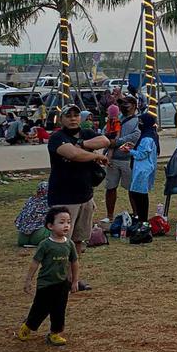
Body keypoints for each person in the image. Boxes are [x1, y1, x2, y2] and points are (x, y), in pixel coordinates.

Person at [45, 107, 110, 291]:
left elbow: (104, 140)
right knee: (61, 242)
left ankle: (73, 279)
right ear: (61, 119)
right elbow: (73, 154)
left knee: (78, 241)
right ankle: (57, 281)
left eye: (76, 115)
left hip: (85, 196)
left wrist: (82, 143)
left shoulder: (85, 134)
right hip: (65, 198)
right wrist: (96, 155)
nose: (73, 119)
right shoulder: (57, 138)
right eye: (68, 116)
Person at [18, 206, 79, 346]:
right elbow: (35, 262)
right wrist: (28, 280)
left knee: (59, 309)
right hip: (46, 284)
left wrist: (75, 280)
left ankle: (55, 333)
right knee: (40, 308)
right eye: (62, 222)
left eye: (68, 222)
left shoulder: (69, 244)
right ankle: (28, 325)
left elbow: (74, 262)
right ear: (50, 226)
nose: (66, 225)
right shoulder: (45, 245)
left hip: (62, 283)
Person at [103, 98, 139, 224]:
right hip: (113, 159)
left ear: (134, 105)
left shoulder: (137, 121)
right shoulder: (116, 118)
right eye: (121, 103)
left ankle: (136, 214)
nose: (123, 106)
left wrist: (116, 142)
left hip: (128, 160)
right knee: (110, 187)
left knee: (132, 189)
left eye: (126, 103)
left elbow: (135, 136)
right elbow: (105, 131)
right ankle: (109, 215)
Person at [127, 113, 160, 220]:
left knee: (140, 195)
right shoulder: (151, 134)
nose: (139, 124)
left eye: (141, 122)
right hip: (146, 168)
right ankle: (141, 218)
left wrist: (129, 151)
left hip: (143, 169)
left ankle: (142, 219)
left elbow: (142, 154)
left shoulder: (146, 138)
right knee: (139, 194)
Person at [15, 181, 52, 247]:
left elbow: (21, 217)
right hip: (38, 236)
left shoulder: (30, 200)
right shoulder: (49, 202)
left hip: (22, 239)